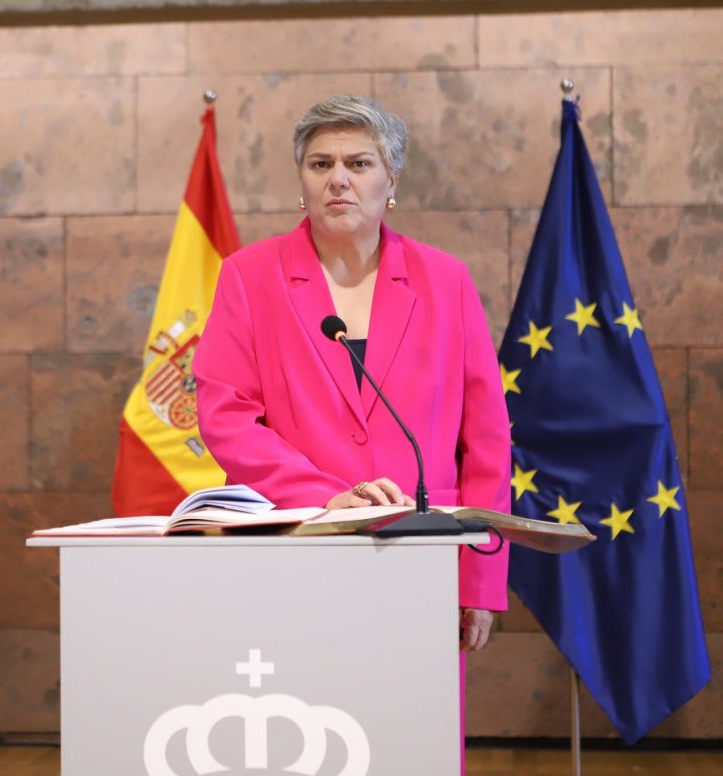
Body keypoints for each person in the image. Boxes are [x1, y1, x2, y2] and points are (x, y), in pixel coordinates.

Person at [192, 95, 510, 773]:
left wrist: (480, 580)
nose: (339, 178)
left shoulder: (445, 280)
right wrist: (323, 494)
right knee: (302, 747)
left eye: (359, 163)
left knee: (409, 745)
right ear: (301, 180)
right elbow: (225, 414)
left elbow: (485, 438)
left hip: (421, 563)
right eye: (321, 163)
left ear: (391, 180)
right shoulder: (249, 276)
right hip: (296, 553)